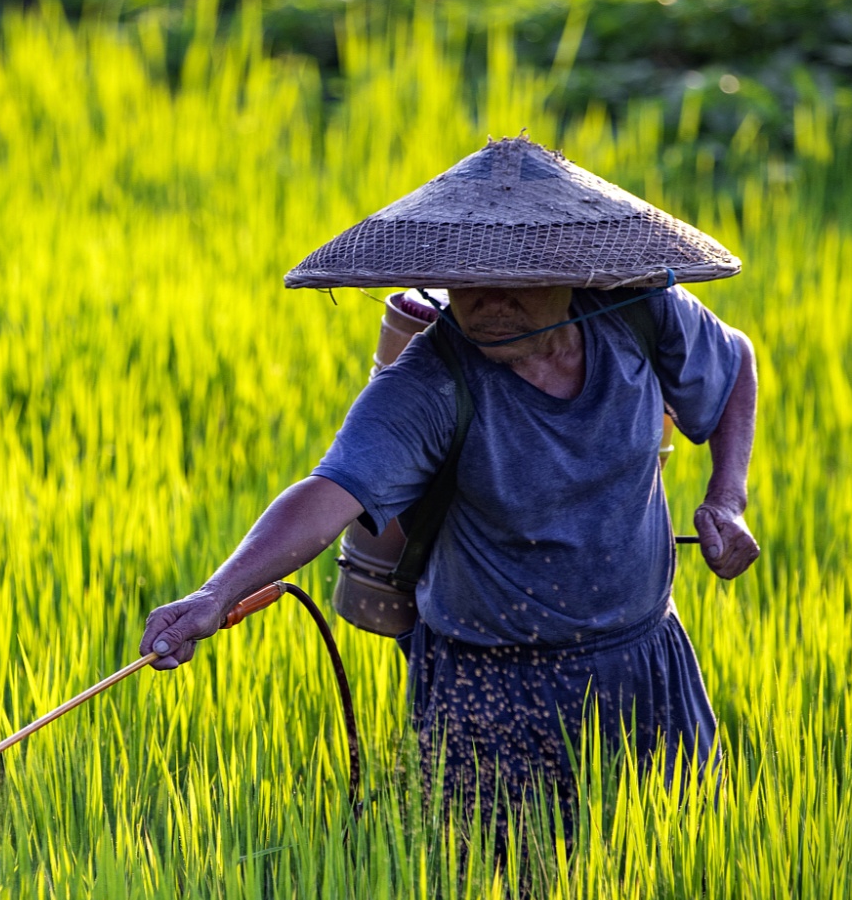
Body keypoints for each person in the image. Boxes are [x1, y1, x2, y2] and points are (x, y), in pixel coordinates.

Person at [142, 135, 759, 835]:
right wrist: (216, 593)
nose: (489, 302)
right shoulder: (432, 381)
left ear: (570, 271)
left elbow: (734, 360)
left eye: (514, 280)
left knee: (669, 885)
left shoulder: (640, 313)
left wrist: (727, 497)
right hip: (490, 690)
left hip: (644, 665)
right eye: (467, 279)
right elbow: (330, 491)